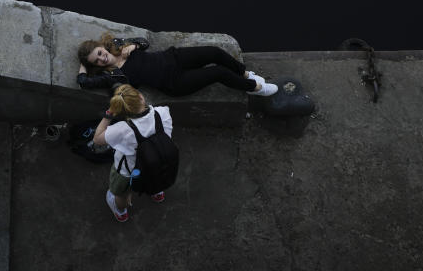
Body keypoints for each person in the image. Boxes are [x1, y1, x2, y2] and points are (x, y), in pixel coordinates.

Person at [77, 33, 278, 97]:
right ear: (96, 65)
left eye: (100, 53)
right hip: (175, 82)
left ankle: (244, 74)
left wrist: (134, 45)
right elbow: (84, 82)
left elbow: (145, 42)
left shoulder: (119, 46)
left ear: (103, 47)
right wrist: (84, 65)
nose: (102, 58)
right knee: (218, 73)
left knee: (214, 52)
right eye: (97, 60)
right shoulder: (114, 75)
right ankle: (254, 88)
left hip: (174, 58)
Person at [92, 84, 171, 222]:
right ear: (141, 96)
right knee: (155, 178)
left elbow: (97, 139)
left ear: (121, 112)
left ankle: (121, 211)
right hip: (160, 162)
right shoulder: (163, 112)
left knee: (121, 194)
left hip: (130, 172)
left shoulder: (122, 130)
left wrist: (108, 115)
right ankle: (157, 192)